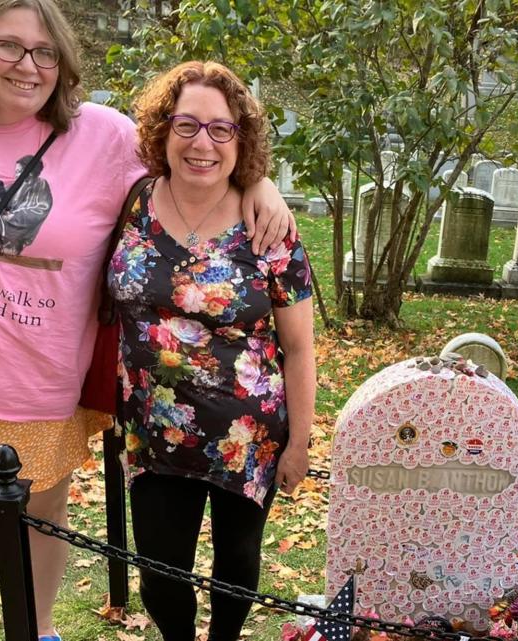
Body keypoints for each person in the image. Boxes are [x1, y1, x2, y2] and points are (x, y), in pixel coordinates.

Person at [0, 1, 294, 640]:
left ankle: (39, 630)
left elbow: (196, 165)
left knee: (38, 519)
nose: (28, 66)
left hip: (40, 379)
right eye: (9, 46)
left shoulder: (102, 136)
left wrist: (258, 183)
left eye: (45, 52)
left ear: (63, 61)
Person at [108, 61, 314, 641]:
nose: (203, 142)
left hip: (245, 435)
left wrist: (299, 443)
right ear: (162, 131)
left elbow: (298, 348)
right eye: (187, 125)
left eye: (222, 129)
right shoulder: (133, 203)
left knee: (237, 565)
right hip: (153, 431)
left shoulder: (268, 228)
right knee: (159, 574)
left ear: (240, 139)